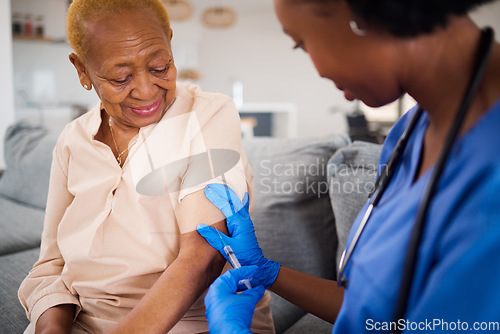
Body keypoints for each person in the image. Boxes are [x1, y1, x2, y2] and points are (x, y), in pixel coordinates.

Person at [197, 0, 500, 333]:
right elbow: (378, 312)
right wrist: (267, 271)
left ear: (360, 14)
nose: (319, 70)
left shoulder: (488, 178)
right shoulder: (410, 133)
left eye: (301, 43)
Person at [17, 0, 275, 333]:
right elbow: (51, 265)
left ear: (169, 41)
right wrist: (51, 328)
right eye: (120, 77)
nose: (146, 90)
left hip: (191, 323)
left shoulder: (207, 114)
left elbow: (203, 257)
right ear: (81, 70)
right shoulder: (72, 140)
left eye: (159, 66)